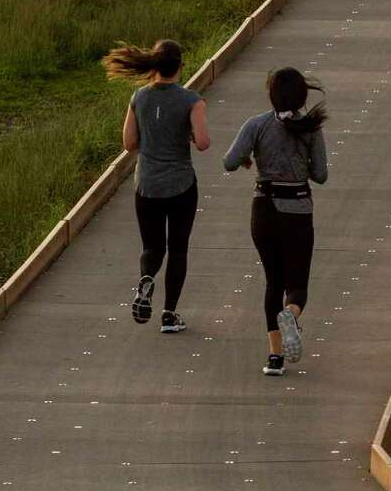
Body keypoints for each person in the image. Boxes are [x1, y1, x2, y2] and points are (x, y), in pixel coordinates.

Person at [223, 67, 328, 375]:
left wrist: (248, 158)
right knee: (297, 285)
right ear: (302, 96)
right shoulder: (310, 128)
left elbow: (229, 161)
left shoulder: (256, 125)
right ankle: (291, 315)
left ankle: (275, 358)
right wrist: (299, 164)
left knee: (273, 281)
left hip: (264, 209)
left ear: (271, 96)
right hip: (297, 209)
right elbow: (321, 174)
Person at [103, 38, 209, 333]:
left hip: (146, 184)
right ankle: (169, 315)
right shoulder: (192, 100)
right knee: (178, 249)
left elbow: (129, 143)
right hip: (181, 185)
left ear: (154, 65)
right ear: (180, 67)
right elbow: (203, 143)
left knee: (152, 247)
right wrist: (186, 133)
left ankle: (146, 278)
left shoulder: (139, 97)